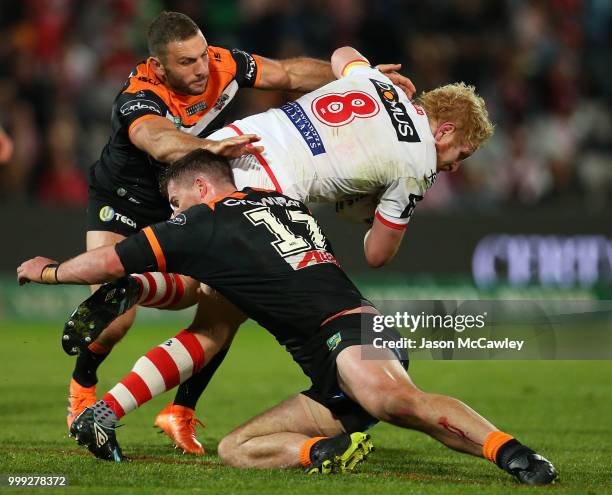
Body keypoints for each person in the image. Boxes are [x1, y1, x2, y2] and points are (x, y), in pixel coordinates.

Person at [18, 150, 557, 485]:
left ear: (202, 190)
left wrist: (50, 270)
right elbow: (211, 290)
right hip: (333, 363)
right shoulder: (280, 204)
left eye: (179, 202)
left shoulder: (203, 222)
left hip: (351, 330)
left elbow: (110, 258)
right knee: (238, 450)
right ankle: (328, 450)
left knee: (394, 400)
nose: (176, 214)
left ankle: (514, 455)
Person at [74, 44, 492, 455]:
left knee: (209, 298)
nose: (454, 166)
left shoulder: (376, 82)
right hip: (267, 186)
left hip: (226, 148)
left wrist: (373, 72)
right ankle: (115, 392)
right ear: (445, 129)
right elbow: (377, 254)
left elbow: (343, 53)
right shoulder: (418, 159)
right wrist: (375, 212)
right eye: (461, 154)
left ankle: (142, 305)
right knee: (215, 324)